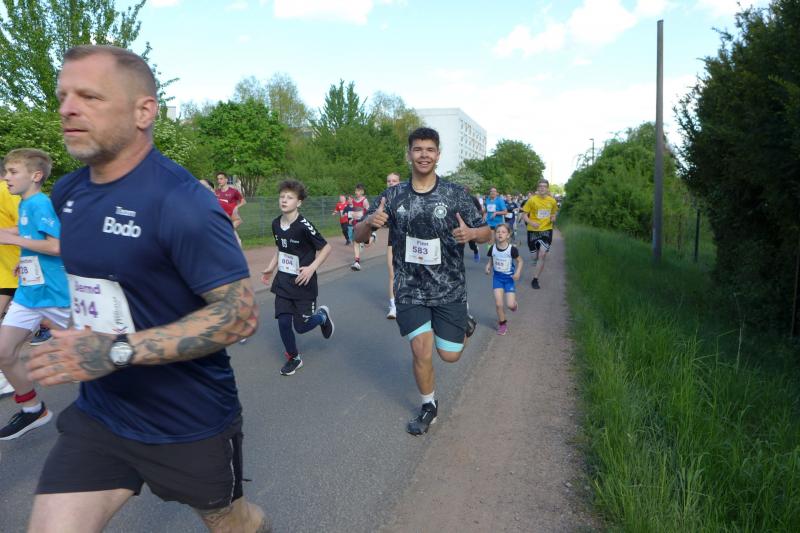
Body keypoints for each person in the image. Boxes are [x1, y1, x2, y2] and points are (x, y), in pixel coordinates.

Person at [25, 45, 269, 532]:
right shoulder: (68, 192)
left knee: (235, 524)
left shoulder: (181, 202)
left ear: (144, 111)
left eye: (90, 96)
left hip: (187, 422)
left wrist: (115, 351)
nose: (68, 108)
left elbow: (240, 315)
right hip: (101, 415)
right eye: (63, 96)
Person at [355, 127, 490, 436]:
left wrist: (472, 233)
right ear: (409, 154)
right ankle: (429, 405)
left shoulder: (455, 194)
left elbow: (487, 232)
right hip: (409, 287)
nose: (424, 155)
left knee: (450, 355)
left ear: (438, 155)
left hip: (449, 287)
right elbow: (359, 236)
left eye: (430, 149)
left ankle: (464, 322)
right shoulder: (392, 195)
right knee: (420, 349)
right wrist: (369, 222)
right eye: (418, 149)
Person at [0, 148, 70, 440]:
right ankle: (33, 409)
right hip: (29, 293)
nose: (6, 177)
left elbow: (57, 245)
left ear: (36, 176)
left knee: (93, 356)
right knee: (3, 352)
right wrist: (24, 258)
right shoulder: (25, 204)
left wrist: (11, 240)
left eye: (13, 172)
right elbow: (30, 234)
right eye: (6, 171)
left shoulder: (41, 203)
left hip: (55, 295)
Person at [261, 179, 334, 376]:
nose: (284, 200)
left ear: (299, 202)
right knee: (283, 322)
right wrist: (270, 268)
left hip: (303, 284)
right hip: (283, 282)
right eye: (282, 197)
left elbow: (326, 248)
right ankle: (294, 358)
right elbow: (281, 248)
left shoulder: (304, 226)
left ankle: (322, 316)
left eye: (290, 197)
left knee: (301, 327)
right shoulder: (276, 223)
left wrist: (311, 268)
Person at [0, 176, 20, 399]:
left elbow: (28, 224)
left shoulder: (6, 190)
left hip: (19, 270)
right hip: (5, 273)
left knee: (54, 318)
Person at [484, 224, 523, 335]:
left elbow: (520, 261)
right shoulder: (492, 248)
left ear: (508, 235)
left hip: (509, 279)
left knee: (510, 305)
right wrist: (488, 266)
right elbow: (492, 259)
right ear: (495, 234)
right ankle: (502, 324)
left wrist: (518, 272)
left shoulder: (512, 250)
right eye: (498, 232)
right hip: (497, 279)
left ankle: (514, 305)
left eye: (503, 232)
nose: (500, 234)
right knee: (498, 304)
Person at [521, 179, 559, 289]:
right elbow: (524, 215)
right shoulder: (531, 200)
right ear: (537, 188)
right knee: (534, 257)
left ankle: (535, 279)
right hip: (533, 230)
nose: (542, 188)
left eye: (544, 186)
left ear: (547, 188)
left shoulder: (552, 201)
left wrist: (553, 218)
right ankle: (535, 260)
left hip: (546, 230)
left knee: (542, 254)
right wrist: (531, 222)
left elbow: (553, 213)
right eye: (540, 186)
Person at [384, 172, 401, 319]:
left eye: (394, 181)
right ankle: (393, 307)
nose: (391, 183)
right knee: (392, 274)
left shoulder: (407, 198)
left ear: (399, 182)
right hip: (392, 240)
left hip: (410, 242)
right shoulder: (384, 200)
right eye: (389, 181)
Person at [350, 184, 369, 271]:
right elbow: (353, 211)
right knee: (355, 241)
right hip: (355, 224)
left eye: (358, 191)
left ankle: (372, 236)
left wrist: (364, 218)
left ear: (362, 192)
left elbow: (369, 212)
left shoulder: (365, 201)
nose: (356, 192)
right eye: (356, 190)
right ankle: (357, 261)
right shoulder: (353, 201)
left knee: (367, 243)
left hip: (363, 224)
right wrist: (351, 218)